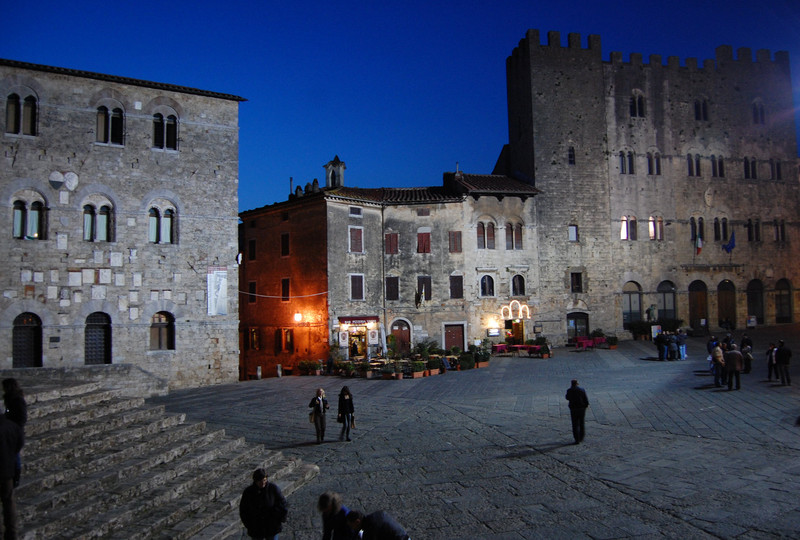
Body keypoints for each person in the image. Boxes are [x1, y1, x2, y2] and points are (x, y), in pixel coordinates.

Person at [239, 467, 288, 540]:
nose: (263, 483)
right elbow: (244, 510)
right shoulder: (248, 492)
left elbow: (282, 504)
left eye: (264, 480)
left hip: (272, 526)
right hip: (256, 528)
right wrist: (249, 525)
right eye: (260, 481)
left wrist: (280, 518)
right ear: (255, 481)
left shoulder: (273, 489)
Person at [0, 413, 24, 540]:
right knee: (9, 502)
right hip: (8, 471)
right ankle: (12, 533)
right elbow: (18, 448)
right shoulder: (12, 426)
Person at [2, 379, 26, 488]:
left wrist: (13, 426)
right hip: (10, 429)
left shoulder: (18, 400)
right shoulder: (9, 398)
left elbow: (22, 418)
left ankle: (16, 476)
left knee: (15, 455)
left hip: (15, 431)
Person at [565, 379, 589, 444]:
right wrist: (586, 405)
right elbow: (585, 398)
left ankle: (577, 439)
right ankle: (581, 437)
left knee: (575, 424)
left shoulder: (569, 390)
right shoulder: (582, 389)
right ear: (577, 383)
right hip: (581, 408)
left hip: (573, 408)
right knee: (581, 422)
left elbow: (567, 398)